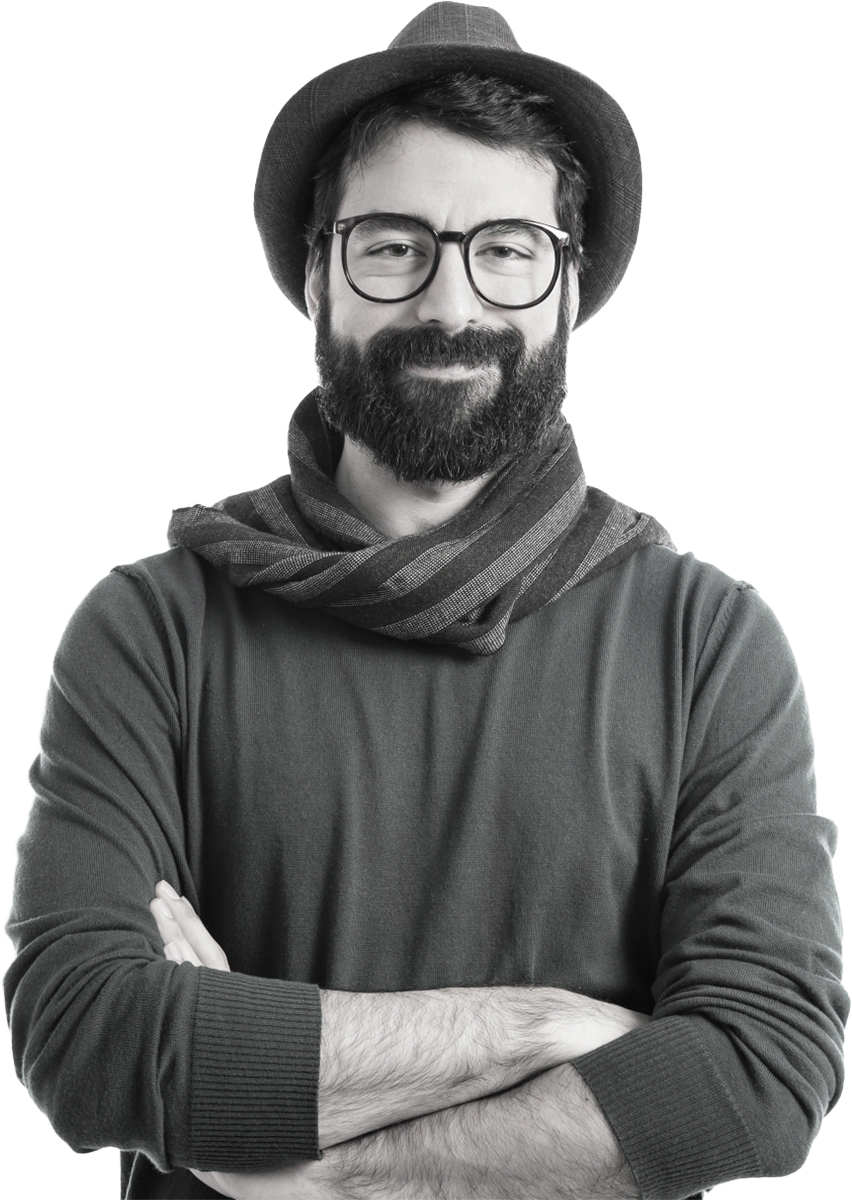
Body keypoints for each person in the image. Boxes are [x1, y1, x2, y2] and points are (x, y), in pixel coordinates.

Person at [6, 5, 847, 1199]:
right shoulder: (148, 632)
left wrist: (309, 1163)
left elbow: (762, 1075)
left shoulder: (705, 643)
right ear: (316, 276)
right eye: (395, 245)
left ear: (568, 286)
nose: (451, 305)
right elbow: (85, 1039)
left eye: (507, 248)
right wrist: (536, 1031)